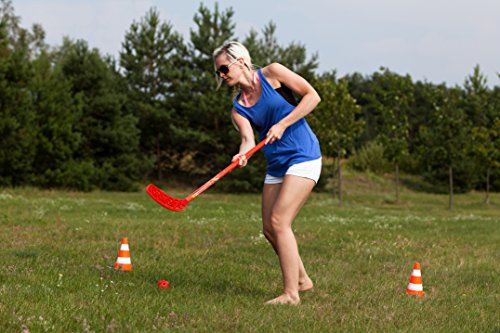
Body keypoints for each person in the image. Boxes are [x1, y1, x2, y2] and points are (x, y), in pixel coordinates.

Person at [213, 41, 322, 305]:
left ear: (240, 61)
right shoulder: (239, 108)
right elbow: (248, 140)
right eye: (218, 72)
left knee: (279, 222)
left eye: (224, 68)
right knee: (268, 229)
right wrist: (243, 154)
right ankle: (302, 280)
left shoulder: (272, 73)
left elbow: (312, 97)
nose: (222, 75)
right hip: (277, 165)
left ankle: (290, 295)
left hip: (303, 155)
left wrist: (283, 124)